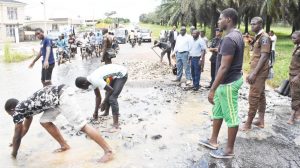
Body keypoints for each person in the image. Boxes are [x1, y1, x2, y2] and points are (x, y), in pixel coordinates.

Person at [4, 85, 113, 163]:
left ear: (12, 109)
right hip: (56, 98)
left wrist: (13, 155)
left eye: (10, 114)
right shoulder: (25, 109)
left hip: (61, 96)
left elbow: (17, 135)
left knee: (81, 126)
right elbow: (24, 129)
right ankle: (64, 145)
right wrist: (14, 142)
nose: (12, 116)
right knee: (44, 121)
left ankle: (108, 151)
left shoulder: (17, 111)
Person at [199, 8, 244, 159]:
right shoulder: (236, 35)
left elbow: (224, 67)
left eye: (220, 19)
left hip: (229, 84)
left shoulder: (229, 39)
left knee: (231, 116)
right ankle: (213, 140)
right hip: (223, 84)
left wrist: (212, 89)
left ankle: (229, 150)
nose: (218, 21)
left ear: (229, 20)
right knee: (217, 112)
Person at [241, 17, 271, 131]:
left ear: (260, 24)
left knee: (253, 96)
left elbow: (264, 57)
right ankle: (260, 121)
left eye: (254, 24)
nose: (252, 26)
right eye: (251, 24)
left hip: (259, 72)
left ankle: (248, 124)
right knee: (261, 95)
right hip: (257, 71)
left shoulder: (264, 37)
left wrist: (254, 73)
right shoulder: (259, 37)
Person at [75, 64, 128, 130]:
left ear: (84, 84)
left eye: (83, 88)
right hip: (114, 75)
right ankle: (106, 112)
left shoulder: (94, 79)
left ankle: (116, 124)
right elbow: (98, 96)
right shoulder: (90, 80)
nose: (84, 89)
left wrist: (104, 102)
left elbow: (111, 90)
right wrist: (96, 112)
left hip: (121, 73)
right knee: (107, 93)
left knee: (112, 98)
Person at [287, 31, 300, 125]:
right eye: (292, 38)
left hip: (297, 75)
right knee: (295, 94)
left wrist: (298, 76)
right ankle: (297, 113)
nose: (292, 40)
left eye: (294, 38)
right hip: (292, 73)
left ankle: (292, 116)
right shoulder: (296, 46)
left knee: (295, 96)